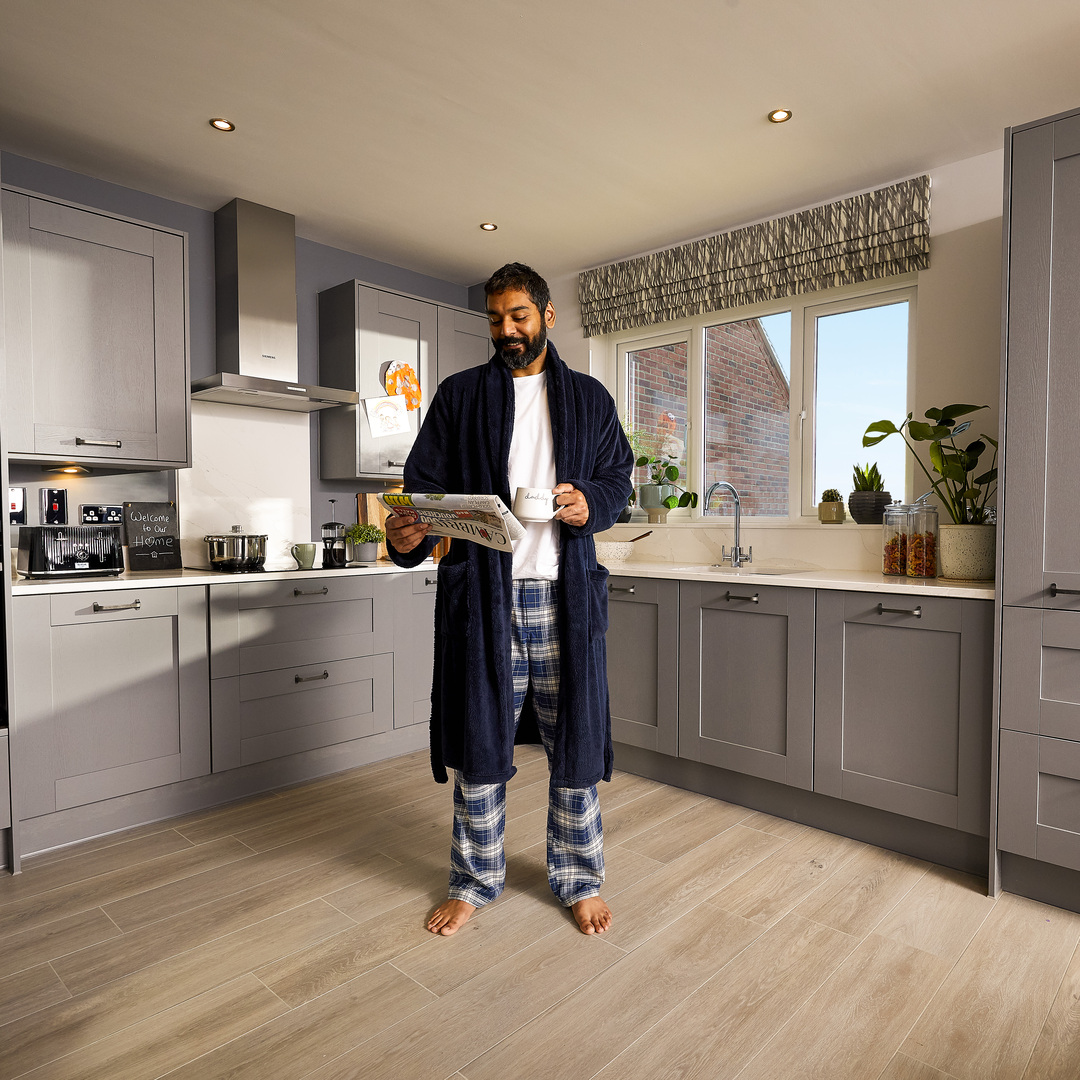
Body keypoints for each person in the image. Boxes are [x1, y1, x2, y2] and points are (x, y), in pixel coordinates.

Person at [386, 262, 634, 936]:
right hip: (483, 602)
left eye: (519, 316)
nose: (507, 330)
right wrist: (408, 532)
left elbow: (618, 477)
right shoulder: (459, 395)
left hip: (565, 598)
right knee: (480, 742)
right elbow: (421, 490)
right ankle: (473, 881)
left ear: (547, 316)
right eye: (496, 319)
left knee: (575, 744)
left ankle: (579, 880)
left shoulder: (589, 398)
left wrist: (591, 500)